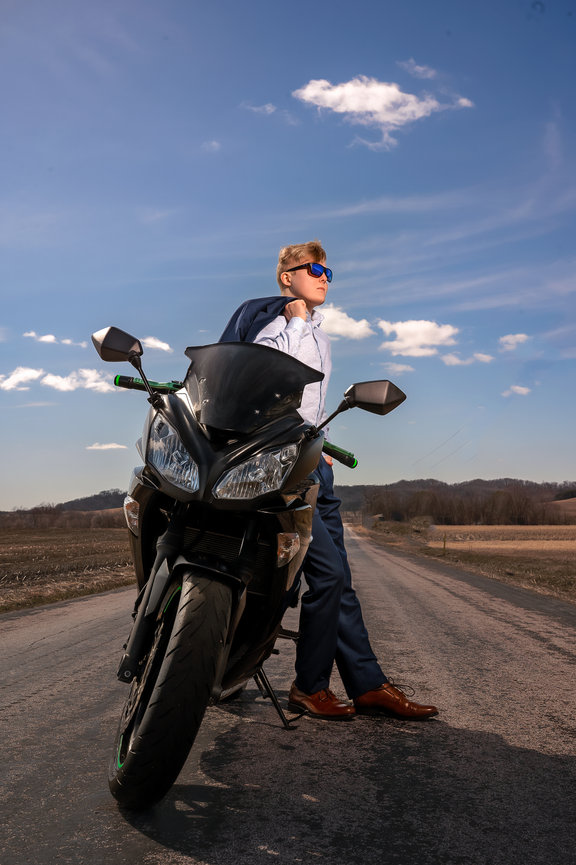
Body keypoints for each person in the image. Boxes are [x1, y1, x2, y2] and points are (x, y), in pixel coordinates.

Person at [220, 240, 438, 721]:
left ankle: (368, 685)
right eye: (313, 268)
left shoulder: (323, 336)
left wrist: (325, 444)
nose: (324, 276)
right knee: (330, 574)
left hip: (313, 461)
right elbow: (276, 379)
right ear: (286, 277)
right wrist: (295, 320)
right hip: (275, 461)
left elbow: (312, 400)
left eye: (328, 271)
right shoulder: (272, 323)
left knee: (338, 580)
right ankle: (309, 687)